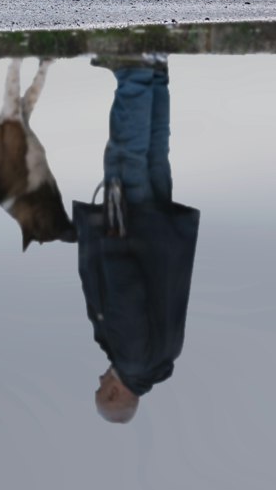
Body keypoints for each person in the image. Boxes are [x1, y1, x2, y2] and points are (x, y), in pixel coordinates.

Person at [75, 55, 200, 423]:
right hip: (131, 231)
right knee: (126, 156)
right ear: (115, 393)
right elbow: (126, 294)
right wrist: (112, 240)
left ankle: (155, 74)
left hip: (161, 232)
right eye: (101, 387)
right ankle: (135, 72)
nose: (100, 378)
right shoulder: (130, 358)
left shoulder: (164, 357)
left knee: (154, 153)